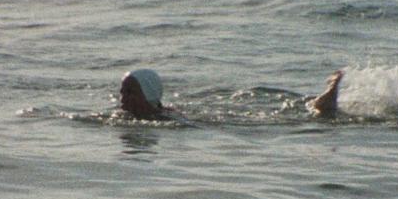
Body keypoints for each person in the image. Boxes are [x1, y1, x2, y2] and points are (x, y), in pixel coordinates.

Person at [120, 68, 345, 120]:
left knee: (312, 116)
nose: (123, 98)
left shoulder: (168, 118)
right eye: (122, 92)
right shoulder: (126, 117)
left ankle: (321, 105)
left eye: (130, 92)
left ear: (149, 94)